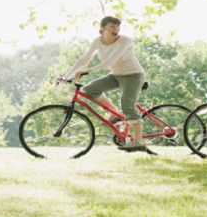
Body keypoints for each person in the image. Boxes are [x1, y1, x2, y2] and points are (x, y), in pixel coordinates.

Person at [63, 16, 148, 152]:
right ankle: (116, 112)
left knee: (128, 106)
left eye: (118, 26)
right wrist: (65, 76)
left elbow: (110, 60)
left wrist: (88, 70)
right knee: (89, 90)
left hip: (133, 75)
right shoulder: (98, 41)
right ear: (102, 28)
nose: (116, 29)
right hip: (115, 75)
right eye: (112, 26)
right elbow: (84, 59)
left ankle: (139, 142)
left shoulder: (125, 40)